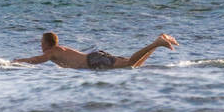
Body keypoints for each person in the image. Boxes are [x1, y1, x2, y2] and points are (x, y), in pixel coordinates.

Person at [13, 32, 179, 70]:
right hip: (95, 58)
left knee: (130, 63)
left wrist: (16, 62)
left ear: (48, 44)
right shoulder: (58, 50)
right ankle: (158, 43)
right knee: (133, 66)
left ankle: (156, 43)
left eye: (41, 43)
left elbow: (36, 60)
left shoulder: (53, 51)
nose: (40, 46)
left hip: (94, 61)